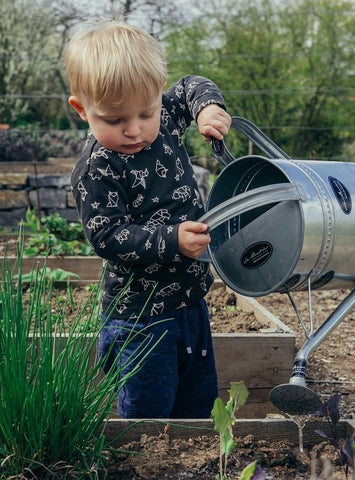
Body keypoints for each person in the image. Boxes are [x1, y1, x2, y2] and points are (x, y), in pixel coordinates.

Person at [65, 18, 231, 418]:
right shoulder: (97, 168)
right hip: (140, 318)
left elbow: (192, 84)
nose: (134, 130)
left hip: (191, 303)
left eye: (146, 112)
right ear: (81, 109)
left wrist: (208, 108)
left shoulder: (168, 118)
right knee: (148, 411)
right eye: (114, 120)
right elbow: (107, 235)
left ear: (158, 96)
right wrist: (171, 239)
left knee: (198, 401)